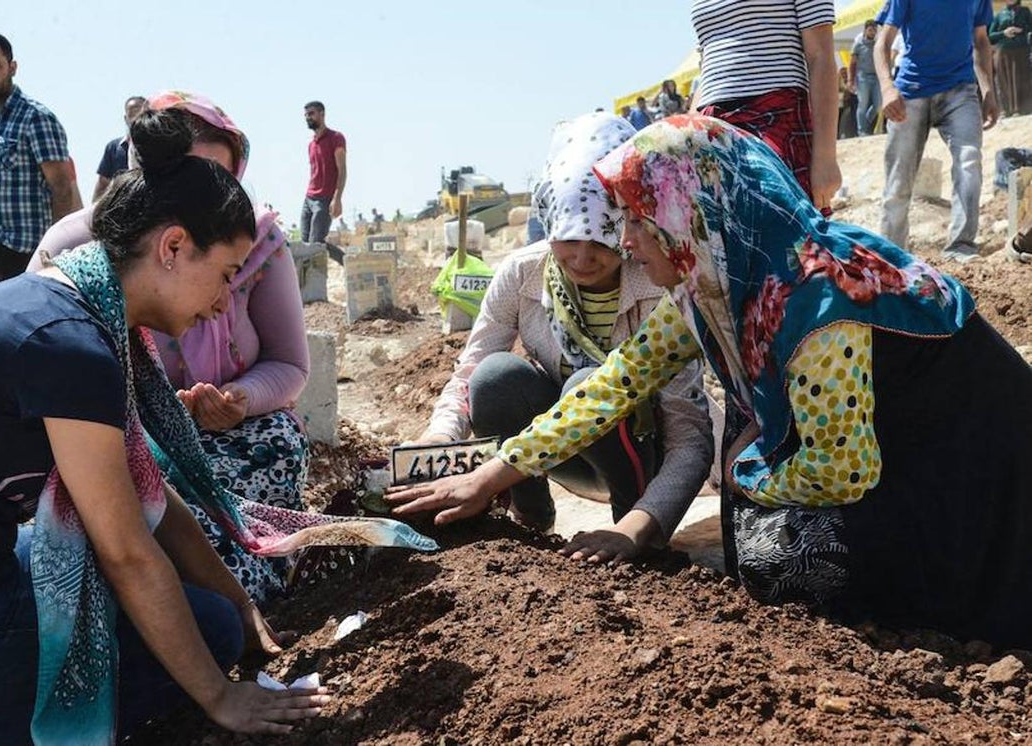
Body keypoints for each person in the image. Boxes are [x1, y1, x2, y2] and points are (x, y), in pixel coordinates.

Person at [389, 115, 1032, 650]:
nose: (627, 241)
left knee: (787, 554)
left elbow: (845, 470)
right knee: (757, 531)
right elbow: (612, 385)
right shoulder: (713, 285)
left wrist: (749, 472)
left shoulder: (812, 301)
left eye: (641, 222)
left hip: (967, 456)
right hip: (891, 445)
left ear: (690, 217)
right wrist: (493, 473)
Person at [0, 109, 340, 744]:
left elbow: (150, 495)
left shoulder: (76, 305)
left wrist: (239, 598)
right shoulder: (72, 343)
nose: (220, 303)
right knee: (202, 634)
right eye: (227, 276)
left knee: (212, 616)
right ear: (174, 247)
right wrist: (219, 696)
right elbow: (127, 551)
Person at [33, 90, 314, 602]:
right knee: (143, 522)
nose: (218, 302)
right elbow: (53, 387)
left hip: (232, 439)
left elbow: (290, 363)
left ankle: (245, 588)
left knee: (266, 456)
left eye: (221, 181)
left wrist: (238, 401)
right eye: (189, 178)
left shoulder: (259, 243)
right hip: (109, 445)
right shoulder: (75, 250)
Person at [405, 111, 714, 550]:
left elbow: (686, 436)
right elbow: (469, 371)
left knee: (586, 383)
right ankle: (530, 520)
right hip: (551, 446)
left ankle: (629, 522)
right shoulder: (522, 274)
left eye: (601, 243)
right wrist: (439, 439)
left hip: (644, 454)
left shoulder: (662, 285)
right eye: (569, 239)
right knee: (495, 378)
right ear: (549, 223)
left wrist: (640, 527)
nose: (584, 259)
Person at [875, 0, 999, 263]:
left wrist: (988, 90)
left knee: (969, 159)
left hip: (960, 90)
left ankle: (961, 246)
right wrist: (887, 88)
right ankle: (891, 254)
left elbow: (980, 40)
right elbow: (882, 42)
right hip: (910, 92)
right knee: (899, 179)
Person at [690, 0, 841, 213]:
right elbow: (707, 66)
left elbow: (821, 56)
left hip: (775, 117)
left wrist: (826, 158)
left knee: (785, 236)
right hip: (711, 126)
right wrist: (688, 130)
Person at [0, 29, 81, 287]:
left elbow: (61, 188)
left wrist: (54, 253)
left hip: (26, 253)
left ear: (12, 67)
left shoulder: (36, 118)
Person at [301, 100, 346, 244]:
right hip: (309, 199)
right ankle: (348, 261)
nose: (308, 117)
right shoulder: (311, 144)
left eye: (312, 114)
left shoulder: (336, 138)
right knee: (304, 245)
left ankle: (349, 261)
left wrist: (337, 198)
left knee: (316, 244)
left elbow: (342, 170)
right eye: (306, 115)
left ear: (322, 114)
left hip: (325, 199)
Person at [92, 94, 148, 201]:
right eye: (132, 114)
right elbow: (103, 184)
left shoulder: (160, 145)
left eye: (141, 114)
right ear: (126, 119)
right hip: (122, 209)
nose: (136, 119)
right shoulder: (114, 148)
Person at [989, 0, 1032, 117]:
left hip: (1022, 50)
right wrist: (1004, 33)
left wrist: (1022, 31)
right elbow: (990, 36)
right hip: (1003, 52)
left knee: (1021, 79)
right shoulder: (1000, 14)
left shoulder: (1025, 11)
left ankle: (1022, 109)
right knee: (1004, 81)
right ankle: (1005, 110)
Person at [848, 20, 882, 136]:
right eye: (870, 30)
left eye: (874, 31)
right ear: (865, 30)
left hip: (876, 77)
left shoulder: (877, 45)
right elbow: (852, 64)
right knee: (863, 104)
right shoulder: (858, 45)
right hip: (863, 77)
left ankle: (865, 124)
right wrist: (850, 80)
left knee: (878, 104)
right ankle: (862, 131)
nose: (872, 33)